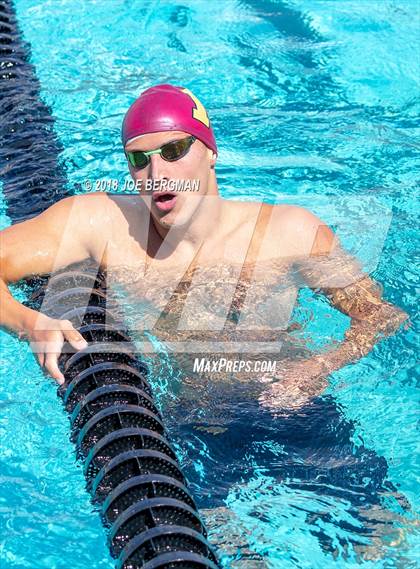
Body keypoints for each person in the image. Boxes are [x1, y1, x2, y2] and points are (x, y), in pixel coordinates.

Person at [0, 84, 410, 561]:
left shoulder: (291, 232)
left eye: (174, 151)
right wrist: (28, 322)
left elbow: (380, 315)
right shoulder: (102, 223)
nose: (156, 172)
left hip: (296, 410)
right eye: (140, 159)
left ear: (210, 151)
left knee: (389, 539)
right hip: (196, 421)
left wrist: (319, 366)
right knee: (218, 552)